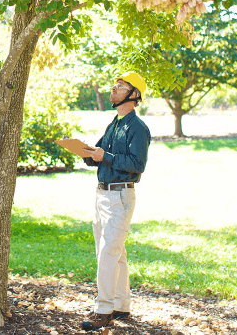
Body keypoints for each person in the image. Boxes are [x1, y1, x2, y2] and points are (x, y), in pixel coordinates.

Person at [80, 71, 151, 331]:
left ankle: (103, 309)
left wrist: (104, 157)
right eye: (114, 85)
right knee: (114, 251)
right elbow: (101, 152)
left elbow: (137, 165)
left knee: (108, 252)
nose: (113, 89)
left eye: (120, 87)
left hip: (120, 195)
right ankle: (122, 304)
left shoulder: (138, 128)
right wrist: (88, 153)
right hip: (102, 193)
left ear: (134, 95)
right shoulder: (114, 124)